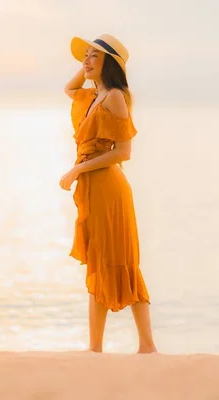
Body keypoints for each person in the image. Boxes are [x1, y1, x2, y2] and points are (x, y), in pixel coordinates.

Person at [60, 34, 157, 354]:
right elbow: (69, 90)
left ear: (110, 64)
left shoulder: (115, 96)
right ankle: (95, 348)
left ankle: (147, 345)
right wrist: (87, 65)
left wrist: (77, 170)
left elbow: (123, 151)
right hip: (94, 186)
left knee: (122, 262)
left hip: (108, 186)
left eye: (94, 57)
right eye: (84, 56)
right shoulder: (93, 96)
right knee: (99, 264)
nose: (86, 61)